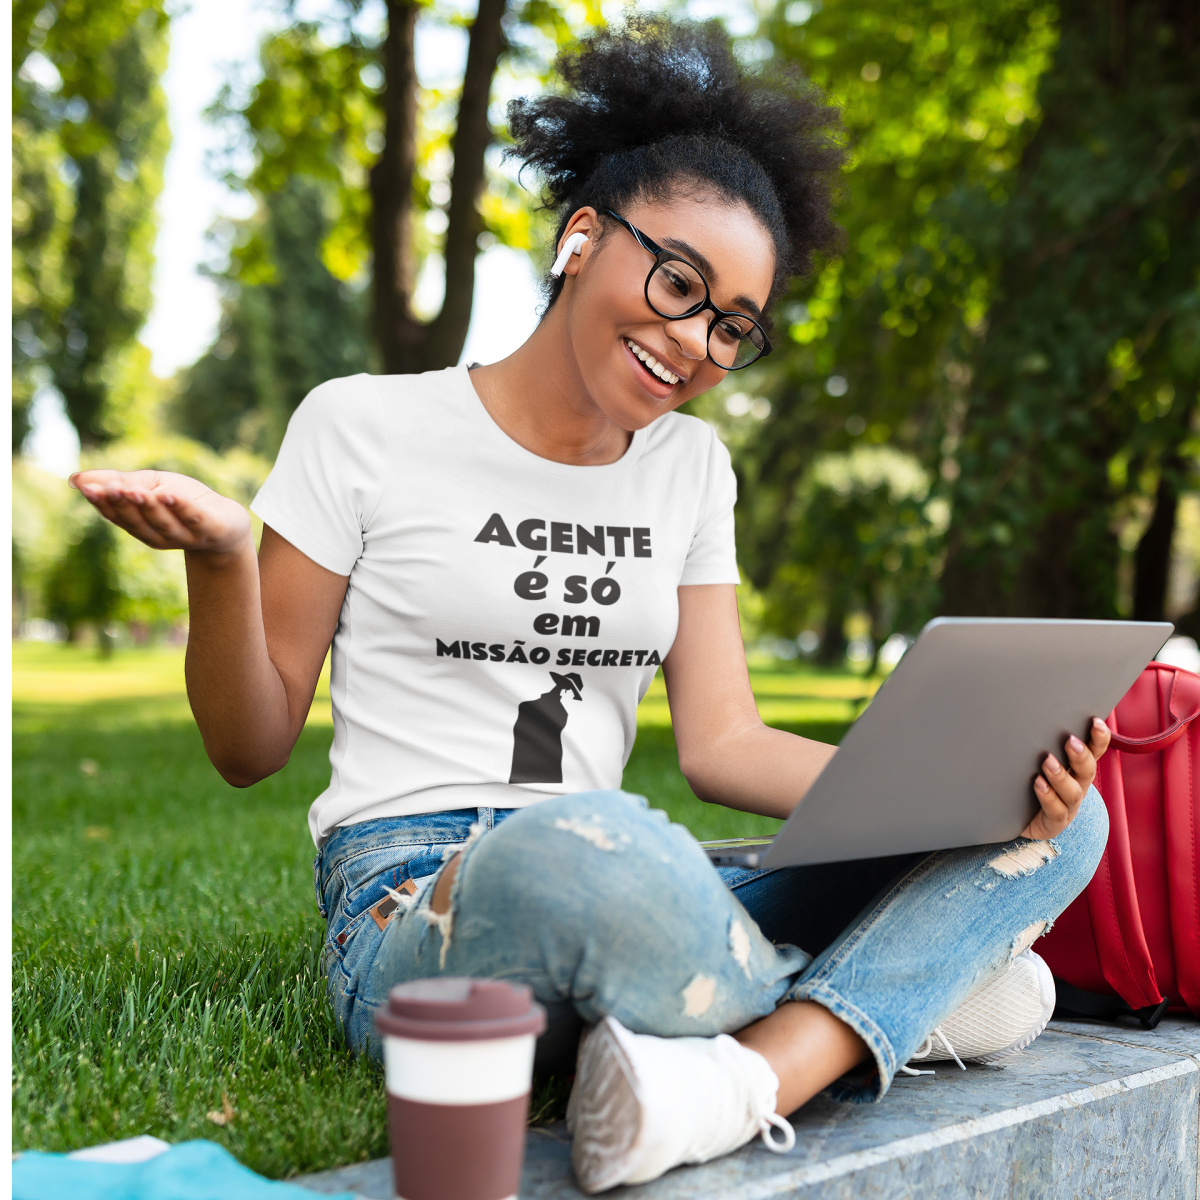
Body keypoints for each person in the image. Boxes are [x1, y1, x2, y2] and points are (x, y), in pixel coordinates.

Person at [71, 19, 1111, 1194]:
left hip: (633, 872)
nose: (693, 341)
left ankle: (745, 1072)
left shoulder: (691, 470)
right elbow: (248, 748)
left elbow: (724, 745)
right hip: (424, 907)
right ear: (580, 238)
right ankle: (877, 1002)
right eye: (678, 283)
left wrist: (952, 799)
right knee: (601, 853)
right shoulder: (361, 424)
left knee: (1061, 826)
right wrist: (220, 562)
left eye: (732, 325)